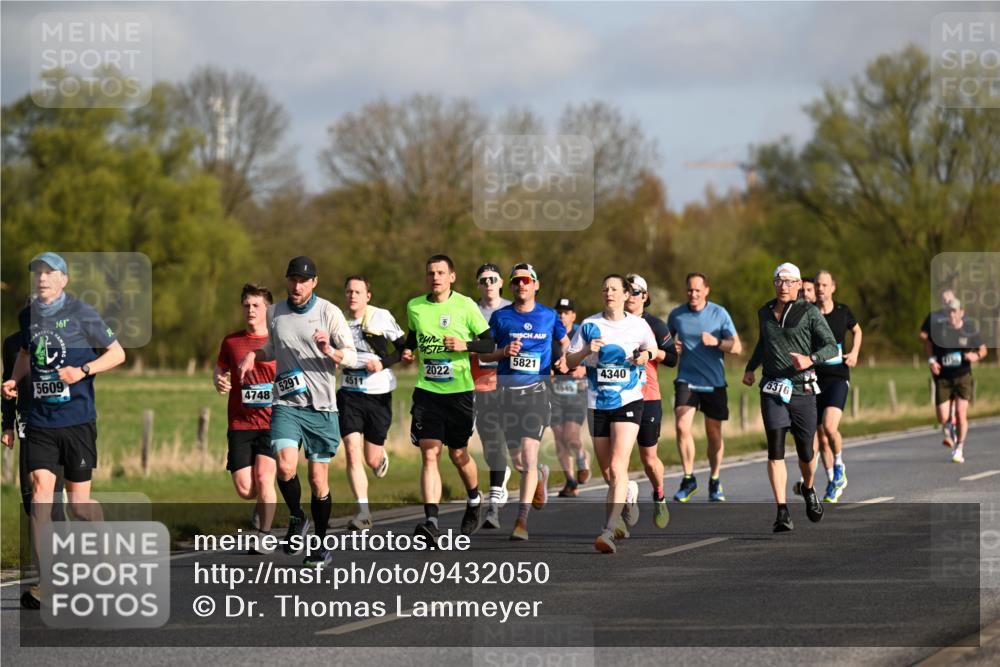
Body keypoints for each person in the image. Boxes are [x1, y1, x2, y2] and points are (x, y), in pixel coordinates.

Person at [2, 253, 126, 609]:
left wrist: (83, 370)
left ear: (64, 280)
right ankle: (47, 582)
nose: (41, 278)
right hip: (40, 423)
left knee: (80, 506)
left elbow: (116, 354)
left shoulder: (82, 313)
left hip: (77, 422)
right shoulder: (27, 315)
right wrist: (13, 378)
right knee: (41, 497)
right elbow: (26, 353)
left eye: (49, 273)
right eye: (37, 273)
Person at [237, 256, 357, 568]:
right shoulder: (275, 313)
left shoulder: (329, 313)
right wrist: (254, 354)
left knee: (318, 480)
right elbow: (272, 349)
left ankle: (319, 545)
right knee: (286, 466)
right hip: (287, 405)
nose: (297, 285)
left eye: (303, 280)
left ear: (314, 282)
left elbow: (353, 356)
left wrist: (329, 349)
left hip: (322, 408)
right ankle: (296, 516)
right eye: (292, 279)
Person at [400, 255, 494, 545]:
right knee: (430, 453)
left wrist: (465, 345)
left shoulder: (465, 305)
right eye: (431, 273)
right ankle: (431, 522)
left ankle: (475, 497)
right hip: (428, 392)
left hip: (459, 394)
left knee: (458, 454)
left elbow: (489, 343)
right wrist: (406, 350)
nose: (435, 277)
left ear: (452, 276)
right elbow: (413, 337)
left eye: (441, 272)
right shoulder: (415, 306)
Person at [743, 262, 838, 532]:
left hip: (803, 389)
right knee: (775, 447)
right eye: (779, 281)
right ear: (774, 284)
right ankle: (782, 511)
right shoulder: (764, 312)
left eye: (789, 282)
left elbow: (831, 346)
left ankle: (808, 489)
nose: (784, 286)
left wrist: (811, 359)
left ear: (798, 285)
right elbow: (764, 342)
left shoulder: (809, 312)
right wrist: (751, 368)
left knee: (807, 451)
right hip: (772, 388)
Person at [478, 263, 569, 541]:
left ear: (535, 285)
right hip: (505, 395)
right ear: (512, 286)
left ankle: (521, 521)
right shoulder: (500, 317)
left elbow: (564, 342)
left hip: (536, 394)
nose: (522, 285)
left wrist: (559, 360)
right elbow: (485, 355)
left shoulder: (549, 315)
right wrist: (503, 352)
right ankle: (541, 474)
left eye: (527, 281)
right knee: (518, 461)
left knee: (528, 457)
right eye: (517, 281)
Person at [567, 275, 657, 554]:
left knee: (618, 466)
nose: (609, 293)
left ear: (625, 294)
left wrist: (645, 356)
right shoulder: (589, 325)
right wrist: (584, 351)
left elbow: (653, 348)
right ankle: (627, 494)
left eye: (614, 289)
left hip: (629, 400)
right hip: (597, 402)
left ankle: (608, 530)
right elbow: (568, 362)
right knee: (607, 471)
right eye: (604, 289)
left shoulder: (637, 324)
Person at [339, 275, 406, 530]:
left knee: (370, 458)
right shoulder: (339, 322)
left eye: (357, 291)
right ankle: (363, 512)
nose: (352, 296)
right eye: (348, 292)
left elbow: (403, 349)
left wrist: (382, 363)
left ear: (368, 296)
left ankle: (379, 457)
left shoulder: (381, 316)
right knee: (351, 451)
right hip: (349, 393)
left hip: (378, 394)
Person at [667, 273, 742, 502]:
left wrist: (717, 342)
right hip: (687, 379)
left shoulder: (719, 314)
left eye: (698, 290)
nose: (693, 294)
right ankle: (689, 479)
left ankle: (715, 479)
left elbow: (737, 347)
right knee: (681, 425)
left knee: (714, 434)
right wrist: (674, 348)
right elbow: (665, 344)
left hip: (714, 382)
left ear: (706, 290)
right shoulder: (676, 315)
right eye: (690, 290)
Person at [214, 284, 278, 544]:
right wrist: (219, 380)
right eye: (246, 305)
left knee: (264, 478)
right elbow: (220, 368)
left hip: (274, 422)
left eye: (256, 305)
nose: (250, 310)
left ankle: (265, 535)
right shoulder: (231, 341)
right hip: (240, 422)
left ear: (268, 309)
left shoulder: (278, 340)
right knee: (245, 488)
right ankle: (260, 507)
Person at [623, 274, 677, 528]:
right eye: (626, 290)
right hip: (618, 398)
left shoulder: (655, 324)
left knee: (648, 459)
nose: (629, 296)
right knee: (617, 459)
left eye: (635, 291)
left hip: (648, 397)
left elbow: (673, 359)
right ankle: (626, 497)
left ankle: (659, 494)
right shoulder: (612, 323)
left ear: (645, 297)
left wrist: (652, 352)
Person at [811, 271, 862, 502]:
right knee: (821, 437)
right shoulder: (809, 314)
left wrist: (854, 352)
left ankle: (840, 465)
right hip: (815, 379)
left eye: (824, 285)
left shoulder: (842, 311)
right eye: (817, 285)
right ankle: (833, 481)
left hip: (838, 377)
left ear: (833, 287)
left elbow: (857, 330)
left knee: (830, 428)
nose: (820, 289)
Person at [470, 263, 513, 529]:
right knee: (490, 445)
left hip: (509, 384)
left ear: (500, 283)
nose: (488, 283)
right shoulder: (469, 310)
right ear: (478, 284)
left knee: (513, 444)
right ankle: (502, 473)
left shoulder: (511, 310)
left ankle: (493, 506)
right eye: (483, 279)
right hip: (480, 384)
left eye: (493, 279)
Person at [928, 299, 987, 463]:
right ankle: (949, 425)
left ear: (962, 312)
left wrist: (975, 355)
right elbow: (929, 346)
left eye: (954, 311)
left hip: (962, 376)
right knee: (942, 417)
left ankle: (959, 447)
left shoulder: (969, 330)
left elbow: (983, 349)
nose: (952, 314)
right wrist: (932, 361)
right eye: (949, 311)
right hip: (944, 377)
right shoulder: (940, 330)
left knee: (962, 413)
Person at [550, 297, 591, 497]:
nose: (562, 316)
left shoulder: (581, 334)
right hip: (554, 393)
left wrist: (583, 369)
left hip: (577, 391)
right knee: (559, 439)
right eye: (559, 312)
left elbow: (596, 360)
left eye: (566, 312)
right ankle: (570, 480)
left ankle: (582, 457)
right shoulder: (549, 333)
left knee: (571, 437)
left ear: (573, 315)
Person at [920, 288, 959, 447]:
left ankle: (953, 425)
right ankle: (947, 425)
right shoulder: (934, 317)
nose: (946, 302)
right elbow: (923, 335)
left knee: (956, 397)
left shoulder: (960, 317)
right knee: (942, 409)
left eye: (949, 299)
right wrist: (931, 358)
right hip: (939, 364)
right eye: (944, 299)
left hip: (957, 366)